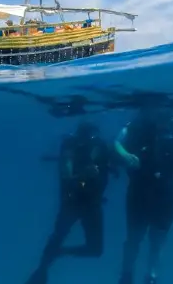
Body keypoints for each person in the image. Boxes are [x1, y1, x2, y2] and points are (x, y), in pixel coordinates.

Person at [114, 108, 173, 284]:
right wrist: (126, 155)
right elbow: (117, 142)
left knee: (158, 239)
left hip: (167, 193)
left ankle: (151, 277)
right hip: (140, 191)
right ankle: (126, 276)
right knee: (135, 237)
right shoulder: (136, 126)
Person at [25, 121, 114, 284]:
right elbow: (67, 176)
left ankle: (57, 253)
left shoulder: (100, 146)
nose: (87, 138)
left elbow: (109, 168)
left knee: (95, 249)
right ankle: (41, 271)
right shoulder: (70, 146)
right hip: (72, 202)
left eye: (90, 134)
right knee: (58, 237)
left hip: (92, 203)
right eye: (85, 134)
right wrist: (84, 177)